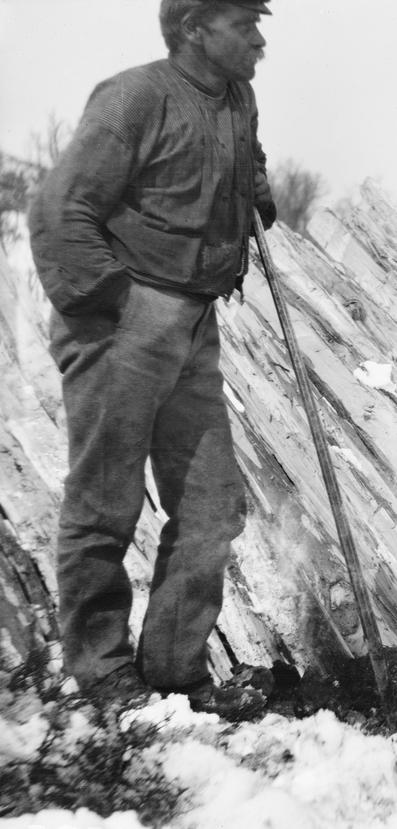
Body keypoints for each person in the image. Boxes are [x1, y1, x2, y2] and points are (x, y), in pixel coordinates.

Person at [28, 0, 277, 712]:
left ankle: (173, 673)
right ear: (194, 28)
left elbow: (239, 161)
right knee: (106, 501)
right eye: (245, 26)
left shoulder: (239, 98)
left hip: (195, 323)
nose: (260, 40)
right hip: (124, 318)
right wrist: (112, 303)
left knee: (212, 505)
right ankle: (101, 671)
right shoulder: (134, 97)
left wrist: (253, 188)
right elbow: (59, 208)